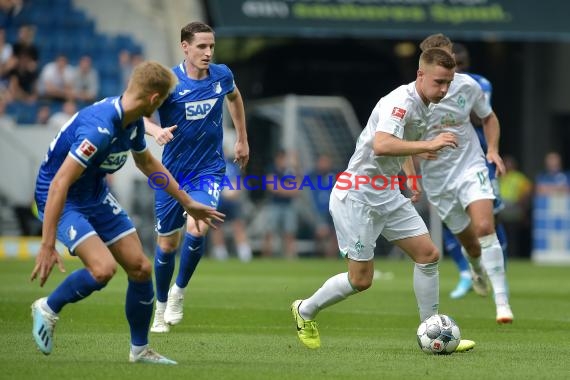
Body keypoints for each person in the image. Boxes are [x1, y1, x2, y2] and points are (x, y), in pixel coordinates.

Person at [29, 60, 224, 364]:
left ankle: (140, 350)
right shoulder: (100, 128)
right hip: (63, 197)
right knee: (103, 269)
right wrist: (47, 244)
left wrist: (186, 201)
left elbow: (147, 164)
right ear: (154, 100)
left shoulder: (131, 120)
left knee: (140, 268)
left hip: (93, 192)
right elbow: (59, 183)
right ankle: (48, 308)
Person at [291, 48, 474, 352]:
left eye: (448, 83)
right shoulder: (399, 103)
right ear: (420, 75)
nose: (444, 90)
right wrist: (428, 144)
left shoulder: (426, 103)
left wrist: (411, 173)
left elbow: (399, 145)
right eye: (439, 82)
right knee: (361, 280)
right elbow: (383, 144)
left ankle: (432, 332)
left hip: (386, 191)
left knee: (428, 254)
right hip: (357, 195)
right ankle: (305, 310)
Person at [144, 21, 249, 333]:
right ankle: (160, 307)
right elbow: (141, 116)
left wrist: (242, 138)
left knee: (199, 224)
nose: (208, 52)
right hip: (170, 175)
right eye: (201, 46)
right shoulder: (167, 82)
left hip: (208, 170)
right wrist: (156, 130)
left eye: (211, 46)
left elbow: (235, 97)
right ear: (185, 47)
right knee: (166, 246)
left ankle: (178, 292)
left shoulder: (222, 75)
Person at [417, 34, 513, 323]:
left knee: (485, 226)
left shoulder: (469, 86)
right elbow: (401, 138)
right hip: (438, 179)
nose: (449, 66)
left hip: (470, 165)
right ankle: (474, 268)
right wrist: (416, 163)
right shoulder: (412, 96)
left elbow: (489, 117)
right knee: (471, 244)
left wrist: (493, 150)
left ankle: (502, 302)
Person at [209, 153, 253, 262]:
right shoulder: (211, 165)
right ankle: (221, 254)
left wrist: (236, 191)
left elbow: (239, 182)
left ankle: (244, 254)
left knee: (238, 225)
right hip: (218, 200)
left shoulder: (232, 165)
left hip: (233, 201)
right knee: (216, 227)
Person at [262, 149, 300, 259]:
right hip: (273, 205)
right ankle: (267, 257)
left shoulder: (291, 171)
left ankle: (290, 257)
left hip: (288, 206)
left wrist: (282, 188)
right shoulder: (271, 169)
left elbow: (297, 188)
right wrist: (289, 189)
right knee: (269, 233)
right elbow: (273, 187)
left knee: (290, 233)